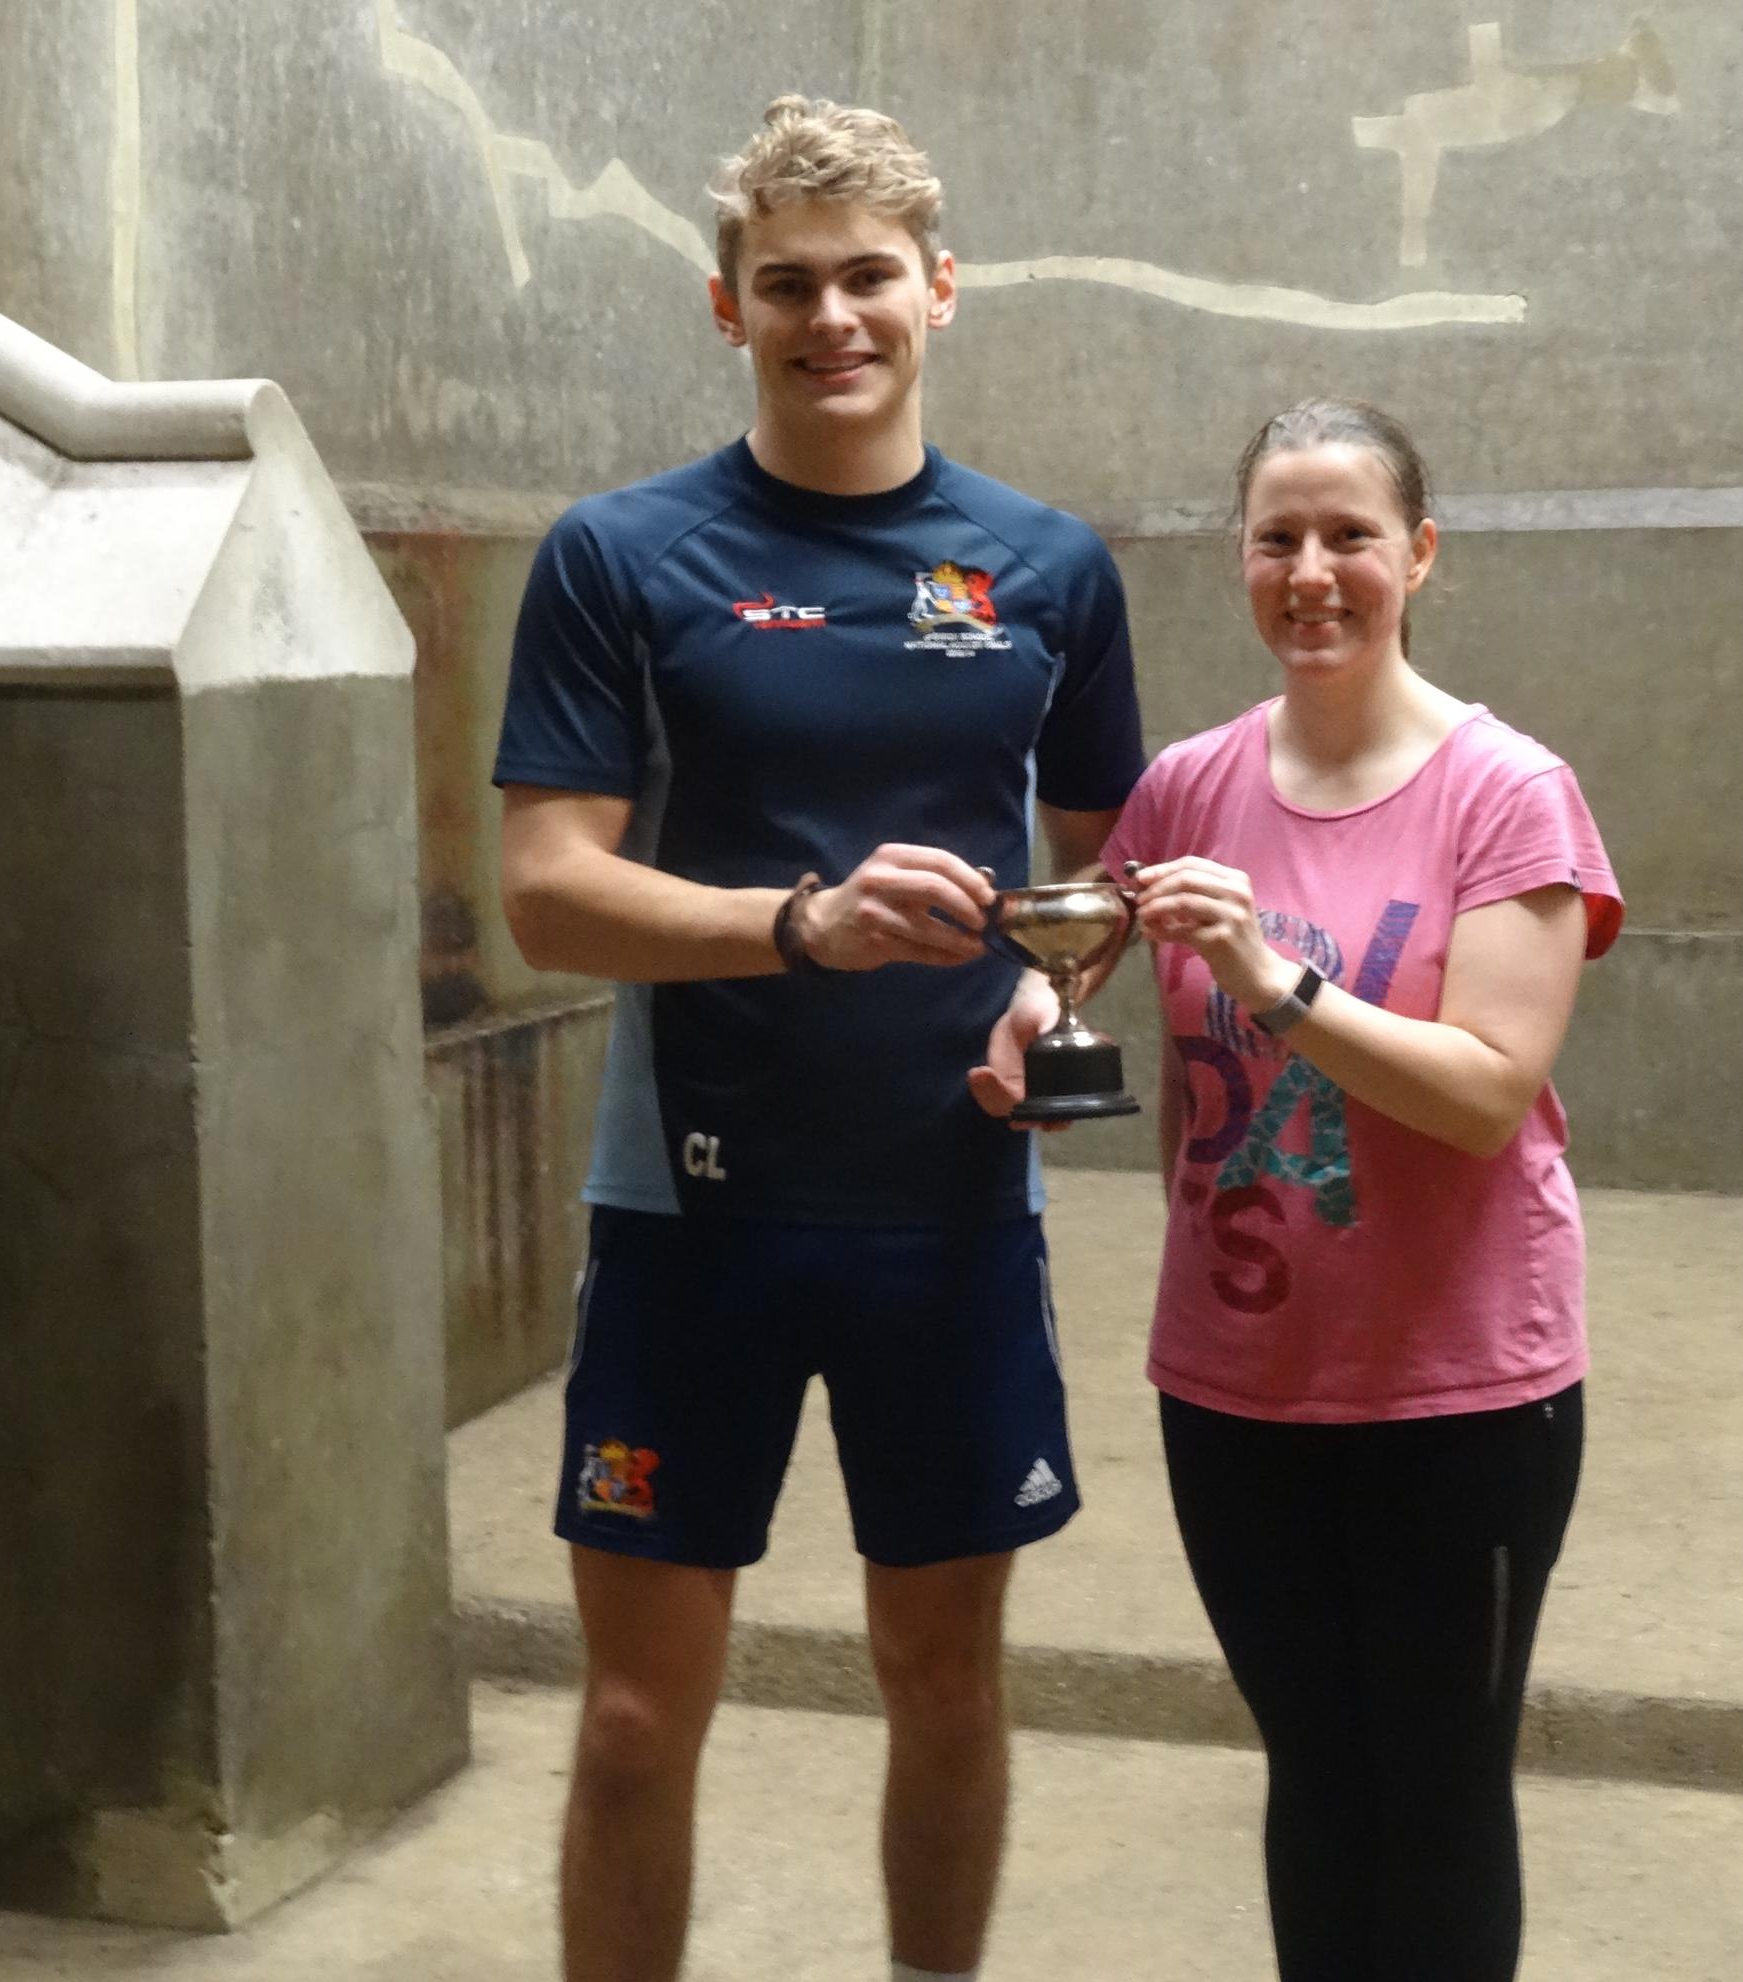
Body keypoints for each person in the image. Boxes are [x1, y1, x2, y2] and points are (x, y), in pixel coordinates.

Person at [492, 96, 1144, 1982]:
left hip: (949, 1210)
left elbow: (1100, 878)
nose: (830, 315)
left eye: (869, 276)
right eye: (788, 283)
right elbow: (547, 887)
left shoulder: (1047, 567)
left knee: (941, 1682)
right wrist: (800, 925)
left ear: (943, 290)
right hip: (688, 1216)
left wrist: (1045, 997)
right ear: (728, 307)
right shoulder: (624, 557)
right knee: (631, 1718)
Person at [1101, 398, 1622, 1982]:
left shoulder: (1507, 791)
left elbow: (1484, 1091)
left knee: (1440, 1790)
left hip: (1459, 1392)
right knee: (1314, 1770)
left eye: (1351, 536)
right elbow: (1079, 965)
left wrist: (1272, 976)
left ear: (1421, 556)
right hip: (1239, 1378)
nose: (1312, 570)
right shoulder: (1186, 785)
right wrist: (1008, 1033)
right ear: (1239, 559)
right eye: (1278, 536)